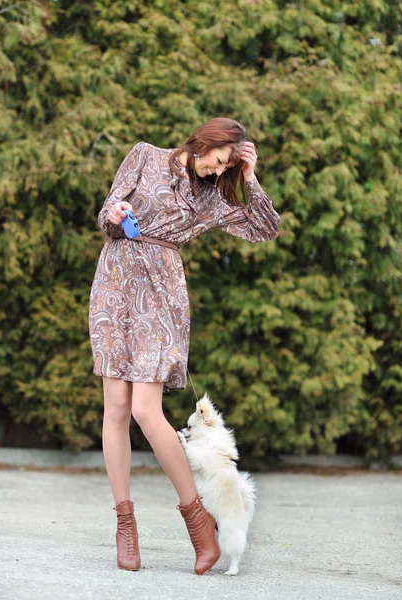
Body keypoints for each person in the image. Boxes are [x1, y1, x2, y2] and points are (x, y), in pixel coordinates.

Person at [88, 117, 280, 575]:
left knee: (145, 411)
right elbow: (106, 210)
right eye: (217, 161)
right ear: (204, 141)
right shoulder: (143, 155)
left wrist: (249, 180)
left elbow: (265, 228)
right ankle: (125, 525)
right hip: (115, 286)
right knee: (115, 408)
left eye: (225, 168)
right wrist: (113, 214)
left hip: (160, 295)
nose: (216, 172)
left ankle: (199, 524)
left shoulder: (212, 198)